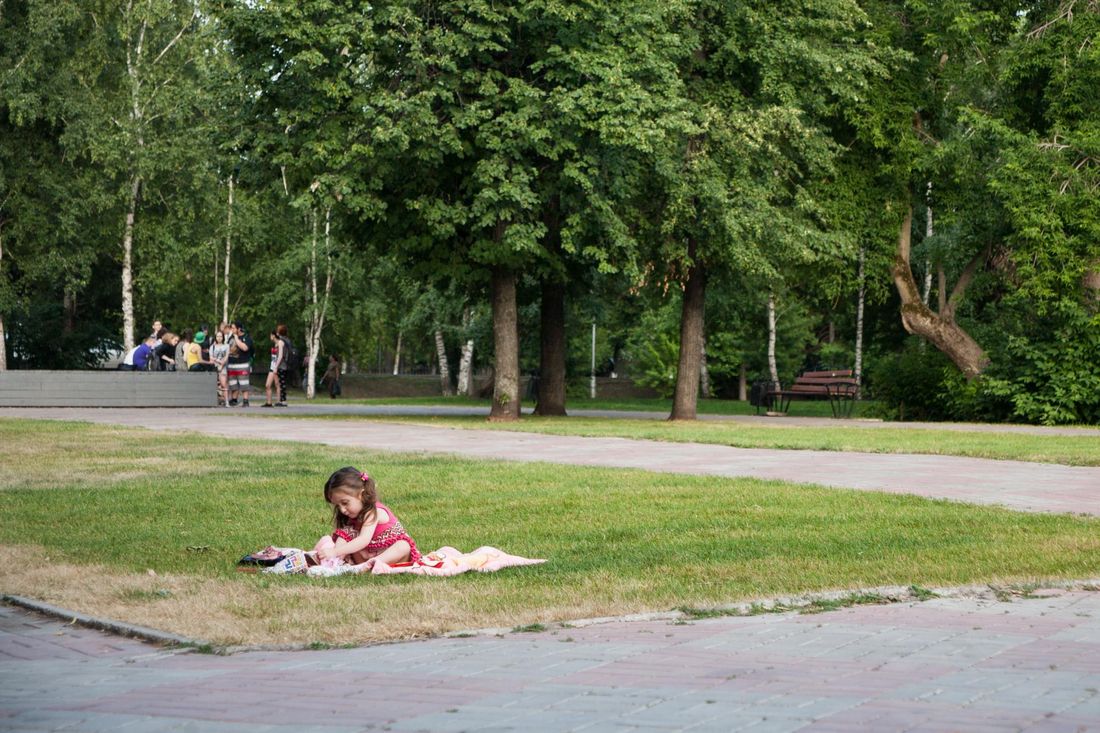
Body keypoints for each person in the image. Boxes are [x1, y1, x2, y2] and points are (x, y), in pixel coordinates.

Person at [315, 466, 421, 569]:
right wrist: (336, 552)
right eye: (338, 506)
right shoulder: (354, 515)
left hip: (391, 555)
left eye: (345, 503)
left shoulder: (373, 512)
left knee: (403, 546)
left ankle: (369, 565)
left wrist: (335, 551)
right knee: (343, 535)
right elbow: (346, 537)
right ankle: (336, 562)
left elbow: (363, 540)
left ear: (361, 494)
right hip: (368, 554)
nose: (342, 510)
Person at [226, 321, 253, 407]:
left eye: (233, 328)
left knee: (243, 383)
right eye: (231, 328)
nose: (232, 330)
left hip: (242, 364)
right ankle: (234, 399)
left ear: (239, 329)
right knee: (233, 383)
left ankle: (245, 400)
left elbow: (245, 348)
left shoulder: (246, 337)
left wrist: (237, 338)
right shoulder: (231, 338)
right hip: (231, 364)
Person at [262, 328, 287, 407]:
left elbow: (280, 356)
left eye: (271, 335)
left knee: (277, 384)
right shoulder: (275, 344)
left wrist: (276, 367)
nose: (270, 336)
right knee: (268, 385)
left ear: (273, 335)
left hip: (277, 366)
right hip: (272, 366)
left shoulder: (280, 343)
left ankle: (279, 401)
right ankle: (269, 402)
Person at [209, 329, 230, 405]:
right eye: (217, 336)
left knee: (224, 384)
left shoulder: (226, 346)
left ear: (223, 337)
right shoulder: (212, 347)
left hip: (223, 367)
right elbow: (211, 357)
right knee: (214, 384)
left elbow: (226, 356)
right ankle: (215, 401)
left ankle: (226, 401)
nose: (219, 338)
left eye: (220, 336)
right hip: (214, 366)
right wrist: (218, 361)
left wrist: (222, 364)